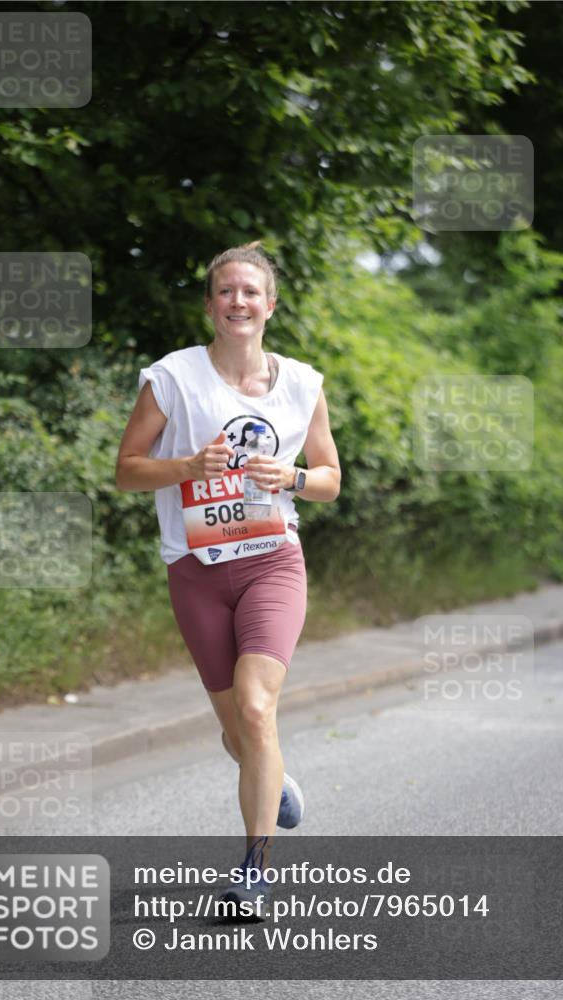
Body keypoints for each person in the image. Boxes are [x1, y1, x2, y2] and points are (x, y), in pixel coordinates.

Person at [115, 241, 341, 910]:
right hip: (196, 571)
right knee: (236, 732)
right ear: (211, 304)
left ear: (269, 305)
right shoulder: (173, 379)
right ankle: (270, 776)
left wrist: (295, 477)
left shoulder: (302, 383)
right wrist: (187, 466)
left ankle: (255, 868)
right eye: (225, 291)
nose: (237, 301)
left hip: (272, 562)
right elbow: (126, 470)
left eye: (250, 291)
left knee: (254, 706)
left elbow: (329, 479)